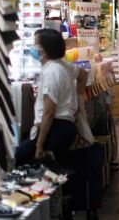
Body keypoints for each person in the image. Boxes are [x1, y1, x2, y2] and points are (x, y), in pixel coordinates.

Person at [16, 29, 87, 167]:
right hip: (64, 127)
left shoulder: (51, 72)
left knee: (19, 159)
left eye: (36, 44)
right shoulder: (63, 65)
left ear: (46, 48)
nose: (33, 47)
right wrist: (78, 99)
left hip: (54, 128)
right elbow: (83, 75)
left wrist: (39, 146)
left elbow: (49, 112)